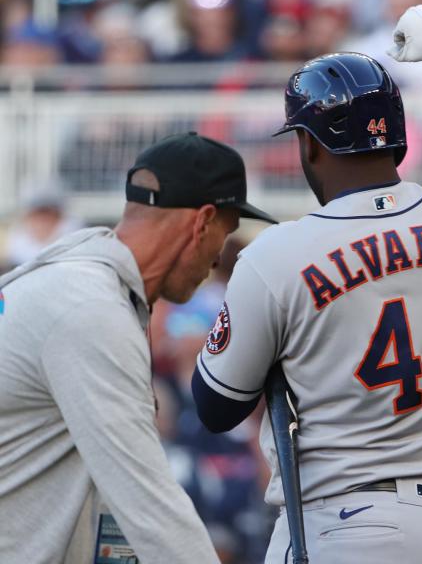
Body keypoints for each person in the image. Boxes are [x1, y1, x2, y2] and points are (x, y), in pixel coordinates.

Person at [191, 4, 422, 563]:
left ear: (310, 145)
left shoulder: (275, 256)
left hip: (342, 525)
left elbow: (216, 406)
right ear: (396, 137)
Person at [0, 132, 276, 562]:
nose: (218, 257)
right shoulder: (89, 308)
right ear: (202, 221)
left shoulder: (81, 282)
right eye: (226, 231)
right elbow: (149, 505)